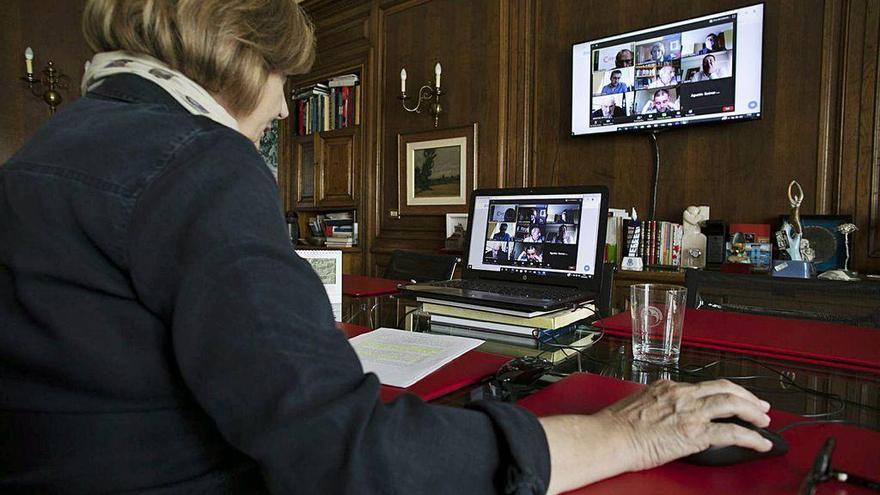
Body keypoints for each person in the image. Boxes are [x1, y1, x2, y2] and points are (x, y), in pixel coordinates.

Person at [0, 1, 777, 493]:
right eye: (280, 105)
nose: (273, 122)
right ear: (249, 61)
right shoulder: (199, 157)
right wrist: (624, 431)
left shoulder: (43, 153)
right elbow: (347, 455)